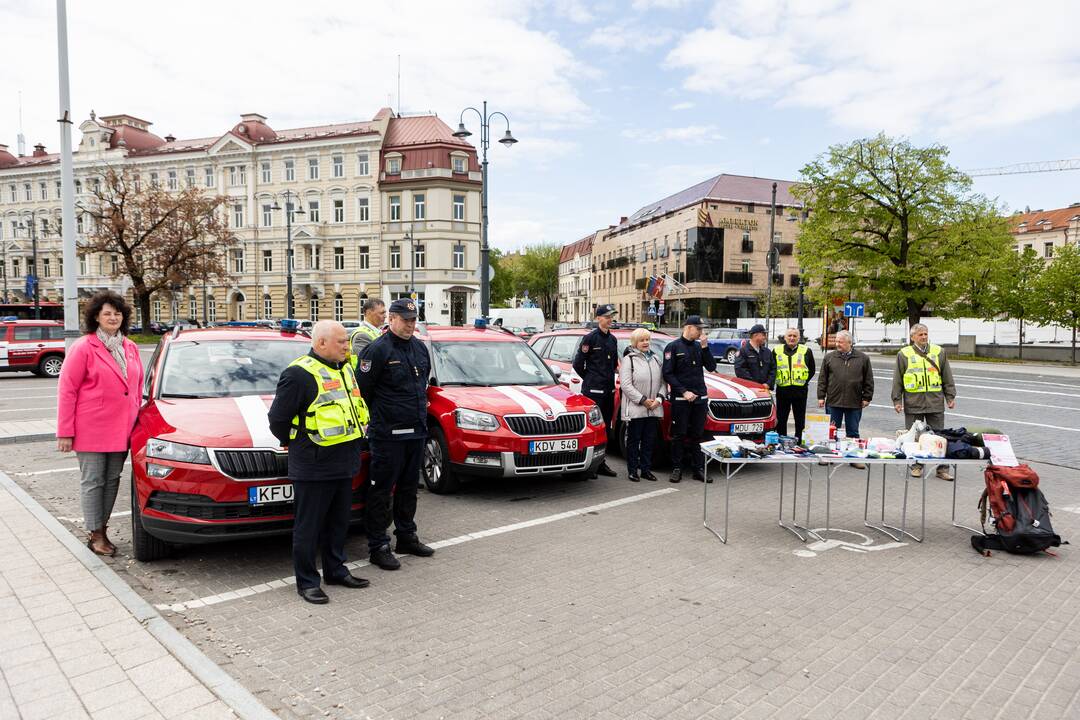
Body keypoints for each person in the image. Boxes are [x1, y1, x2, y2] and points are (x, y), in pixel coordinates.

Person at [268, 320, 371, 604]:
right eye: (341, 342)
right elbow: (277, 420)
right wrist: (296, 442)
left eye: (347, 342)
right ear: (321, 343)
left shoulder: (346, 368)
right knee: (308, 527)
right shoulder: (299, 374)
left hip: (344, 461)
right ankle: (307, 581)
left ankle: (336, 570)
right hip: (313, 465)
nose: (347, 347)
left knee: (339, 523)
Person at [56, 291, 144, 556]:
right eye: (107, 313)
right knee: (94, 481)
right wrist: (65, 432)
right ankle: (96, 534)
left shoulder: (130, 347)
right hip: (90, 429)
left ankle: (102, 528)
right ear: (96, 316)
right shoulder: (84, 347)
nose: (113, 317)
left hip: (121, 431)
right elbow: (67, 389)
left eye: (117, 313)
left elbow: (137, 388)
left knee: (112, 479)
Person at [356, 298, 434, 570]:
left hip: (415, 431)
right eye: (405, 320)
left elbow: (422, 384)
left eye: (414, 320)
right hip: (388, 434)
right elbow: (363, 391)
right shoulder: (376, 350)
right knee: (381, 492)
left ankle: (406, 536)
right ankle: (378, 545)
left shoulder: (419, 348)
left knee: (409, 489)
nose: (411, 325)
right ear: (391, 319)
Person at [892, 323, 957, 481]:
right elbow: (898, 379)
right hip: (914, 403)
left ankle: (942, 469)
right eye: (920, 335)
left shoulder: (939, 352)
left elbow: (947, 376)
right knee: (914, 438)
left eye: (925, 334)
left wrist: (950, 396)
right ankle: (916, 466)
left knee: (939, 437)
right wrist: (897, 400)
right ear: (912, 337)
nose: (923, 337)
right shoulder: (904, 354)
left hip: (935, 401)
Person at [662, 315, 717, 483]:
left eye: (702, 329)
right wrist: (683, 391)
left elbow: (711, 367)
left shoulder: (699, 347)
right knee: (679, 435)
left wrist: (706, 348)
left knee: (697, 435)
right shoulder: (673, 347)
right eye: (698, 329)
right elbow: (667, 373)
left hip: (700, 398)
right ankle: (677, 468)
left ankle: (698, 469)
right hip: (681, 399)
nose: (701, 332)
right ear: (688, 327)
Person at [572, 304, 619, 477]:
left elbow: (613, 364)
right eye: (606, 317)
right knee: (592, 429)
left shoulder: (613, 340)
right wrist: (591, 379)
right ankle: (590, 465)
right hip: (593, 391)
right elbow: (578, 364)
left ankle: (601, 463)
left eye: (611, 317)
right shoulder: (590, 339)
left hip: (608, 391)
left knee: (605, 428)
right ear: (598, 318)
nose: (610, 320)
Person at [817, 330, 873, 469]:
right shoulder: (829, 357)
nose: (837, 344)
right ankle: (829, 455)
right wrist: (821, 396)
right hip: (833, 401)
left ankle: (854, 457)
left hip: (854, 401)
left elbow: (869, 379)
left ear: (849, 343)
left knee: (853, 431)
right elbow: (822, 379)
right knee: (831, 430)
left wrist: (867, 397)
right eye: (836, 341)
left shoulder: (863, 358)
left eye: (840, 342)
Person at [619, 328, 664, 482]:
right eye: (642, 340)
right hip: (636, 408)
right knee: (633, 440)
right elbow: (625, 385)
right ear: (635, 342)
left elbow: (663, 383)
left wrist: (658, 399)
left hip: (653, 408)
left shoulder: (656, 359)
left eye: (647, 339)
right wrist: (643, 400)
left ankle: (646, 469)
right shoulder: (628, 360)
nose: (646, 343)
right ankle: (633, 470)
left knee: (649, 440)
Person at [773, 328, 816, 443]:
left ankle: (799, 442)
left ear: (799, 338)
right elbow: (772, 370)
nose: (792, 338)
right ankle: (782, 442)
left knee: (800, 420)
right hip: (783, 390)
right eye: (789, 336)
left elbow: (812, 370)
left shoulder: (806, 351)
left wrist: (804, 381)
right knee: (781, 419)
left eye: (795, 336)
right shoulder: (776, 351)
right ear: (785, 338)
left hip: (800, 391)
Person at [734, 324, 775, 389]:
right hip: (750, 390)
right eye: (763, 335)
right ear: (755, 335)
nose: (765, 337)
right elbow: (740, 371)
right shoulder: (743, 351)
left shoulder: (767, 352)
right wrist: (756, 385)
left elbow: (773, 369)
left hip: (766, 389)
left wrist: (768, 383)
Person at [349, 297, 386, 364]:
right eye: (381, 313)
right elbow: (368, 362)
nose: (385, 316)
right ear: (369, 313)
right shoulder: (361, 336)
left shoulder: (377, 331)